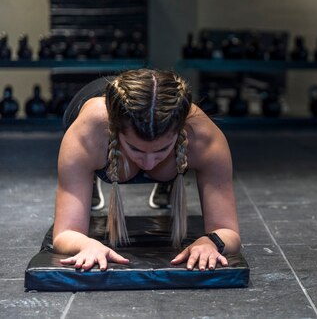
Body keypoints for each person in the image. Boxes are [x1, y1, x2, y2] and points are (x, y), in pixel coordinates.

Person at [53, 68, 240, 271]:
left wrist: (211, 242)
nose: (149, 163)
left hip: (169, 140)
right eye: (135, 149)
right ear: (114, 132)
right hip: (97, 127)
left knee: (164, 169)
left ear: (180, 134)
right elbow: (65, 233)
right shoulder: (88, 134)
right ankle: (90, 179)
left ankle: (168, 176)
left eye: (162, 150)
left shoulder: (204, 137)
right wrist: (86, 244)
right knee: (98, 169)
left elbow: (228, 230)